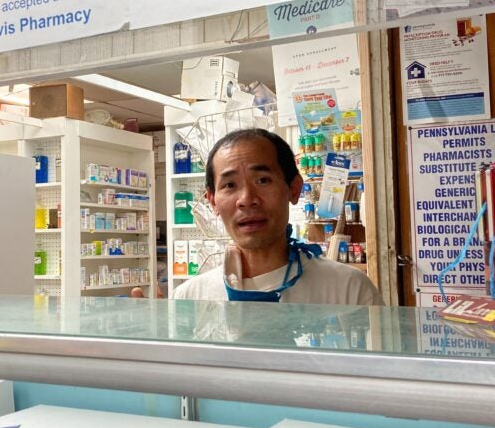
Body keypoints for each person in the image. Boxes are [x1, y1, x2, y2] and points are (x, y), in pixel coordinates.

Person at [135, 129, 383, 305]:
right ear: (212, 201)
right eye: (230, 185)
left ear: (294, 188)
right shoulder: (189, 299)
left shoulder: (349, 290)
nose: (247, 199)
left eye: (263, 180)